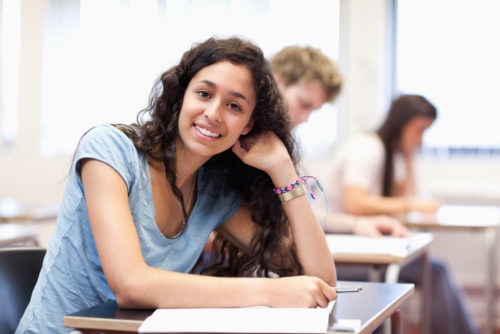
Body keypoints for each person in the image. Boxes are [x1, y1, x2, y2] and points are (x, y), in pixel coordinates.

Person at [16, 37, 337, 333]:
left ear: (248, 126)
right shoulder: (109, 151)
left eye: (234, 106)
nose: (213, 113)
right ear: (181, 96)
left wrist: (283, 171)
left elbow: (319, 279)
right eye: (204, 94)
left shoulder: (215, 190)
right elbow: (130, 286)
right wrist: (271, 291)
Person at [325, 94, 479, 334]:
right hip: (338, 252)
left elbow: (401, 197)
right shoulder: (368, 148)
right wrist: (411, 204)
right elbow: (354, 202)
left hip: (359, 244)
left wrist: (409, 156)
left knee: (435, 270)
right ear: (401, 122)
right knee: (435, 272)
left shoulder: (387, 152)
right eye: (418, 130)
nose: (420, 139)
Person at [270, 45, 410, 237]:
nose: (305, 118)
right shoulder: (249, 139)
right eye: (304, 104)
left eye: (313, 110)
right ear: (277, 81)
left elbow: (295, 214)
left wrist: (355, 223)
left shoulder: (279, 143)